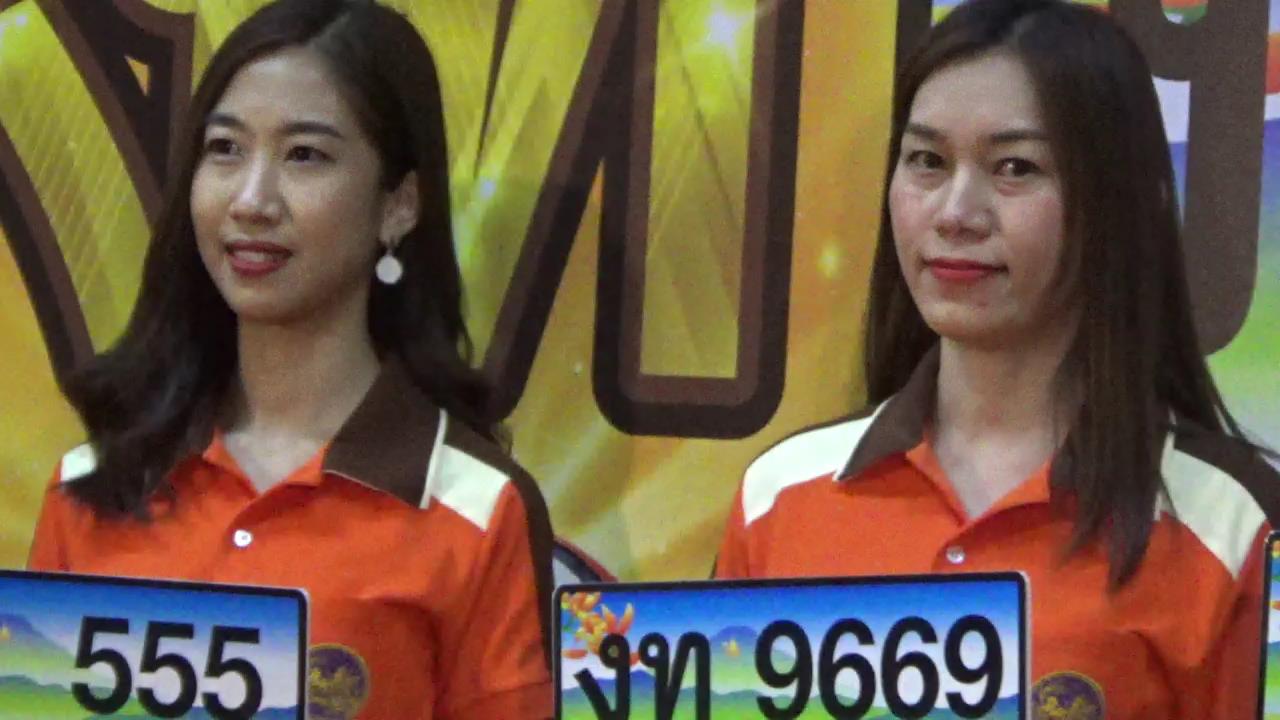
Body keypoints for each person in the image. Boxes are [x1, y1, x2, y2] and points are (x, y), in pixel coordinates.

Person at [715, 0, 1280, 716]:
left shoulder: (1232, 522)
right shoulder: (780, 496)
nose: (955, 213)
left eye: (1015, 167)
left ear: (1119, 199)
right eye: (926, 161)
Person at [25, 1, 553, 717]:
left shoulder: (477, 509)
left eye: (304, 155)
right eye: (225, 149)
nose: (252, 200)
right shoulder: (92, 484)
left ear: (399, 205)